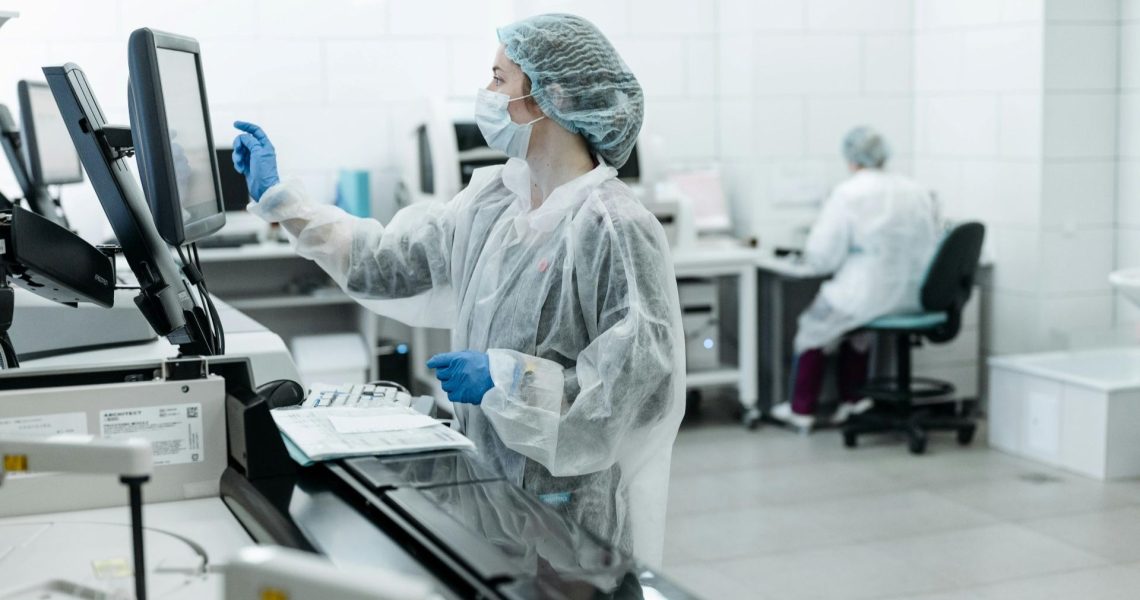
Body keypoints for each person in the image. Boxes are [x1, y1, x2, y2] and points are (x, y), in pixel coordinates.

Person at [230, 14, 685, 566]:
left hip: (572, 520)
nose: (487, 94)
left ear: (550, 96)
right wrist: (284, 203)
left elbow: (640, 389)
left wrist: (509, 379)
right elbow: (389, 264)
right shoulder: (493, 200)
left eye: (499, 78)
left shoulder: (613, 227)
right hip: (488, 496)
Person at [769, 126, 940, 431]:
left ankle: (802, 409)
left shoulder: (849, 192)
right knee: (857, 332)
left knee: (815, 327)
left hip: (868, 291)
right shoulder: (914, 190)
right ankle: (852, 400)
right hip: (914, 295)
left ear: (851, 159)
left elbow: (822, 255)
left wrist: (807, 258)